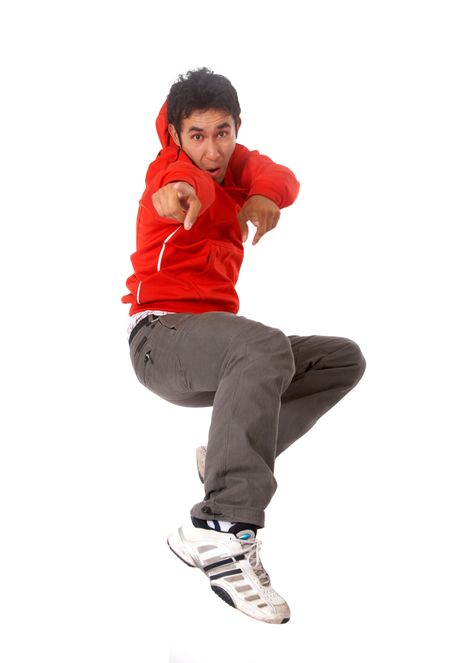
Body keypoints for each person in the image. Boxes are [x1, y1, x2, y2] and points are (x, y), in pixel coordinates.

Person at [122, 67, 366, 624]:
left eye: (222, 133)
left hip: (213, 349)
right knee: (263, 346)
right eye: (198, 136)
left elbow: (283, 177)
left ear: (237, 128)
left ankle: (229, 462)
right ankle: (222, 527)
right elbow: (181, 188)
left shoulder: (241, 163)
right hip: (160, 339)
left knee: (340, 357)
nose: (212, 149)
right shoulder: (171, 170)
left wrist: (261, 195)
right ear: (177, 138)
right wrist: (177, 194)